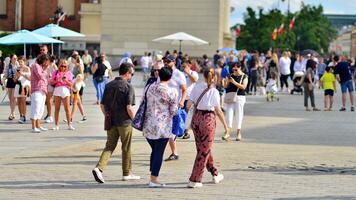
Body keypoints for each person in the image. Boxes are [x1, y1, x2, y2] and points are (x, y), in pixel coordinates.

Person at [92, 62, 140, 184]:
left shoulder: (109, 85)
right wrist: (135, 120)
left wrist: (107, 115)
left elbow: (102, 105)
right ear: (128, 73)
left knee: (109, 146)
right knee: (126, 147)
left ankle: (99, 168)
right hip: (124, 122)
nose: (132, 76)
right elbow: (129, 107)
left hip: (111, 121)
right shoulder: (128, 87)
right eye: (132, 74)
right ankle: (126, 173)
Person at [185, 67, 229, 188]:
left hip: (197, 118)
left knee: (203, 149)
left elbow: (188, 104)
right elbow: (218, 110)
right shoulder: (214, 91)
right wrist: (226, 126)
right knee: (204, 150)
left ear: (203, 75)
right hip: (208, 120)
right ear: (214, 77)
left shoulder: (196, 87)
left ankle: (215, 173)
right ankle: (195, 179)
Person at [142, 67, 178, 188]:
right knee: (158, 152)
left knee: (155, 150)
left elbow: (143, 101)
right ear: (170, 77)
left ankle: (152, 172)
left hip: (148, 125)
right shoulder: (172, 91)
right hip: (163, 127)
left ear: (159, 75)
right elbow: (173, 111)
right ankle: (153, 179)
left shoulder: (149, 87)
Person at [164, 55, 187, 161]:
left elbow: (184, 89)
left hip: (175, 106)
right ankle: (173, 152)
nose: (165, 63)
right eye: (164, 61)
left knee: (170, 132)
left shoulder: (179, 74)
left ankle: (174, 152)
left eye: (168, 61)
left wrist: (182, 101)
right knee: (165, 131)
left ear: (173, 62)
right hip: (163, 106)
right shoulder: (163, 72)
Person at [222, 62, 248, 141]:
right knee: (228, 114)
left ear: (240, 68)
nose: (234, 70)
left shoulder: (244, 76)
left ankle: (238, 132)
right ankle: (227, 132)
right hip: (230, 97)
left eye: (236, 69)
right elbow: (226, 87)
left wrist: (234, 82)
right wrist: (225, 81)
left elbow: (243, 87)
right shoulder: (231, 75)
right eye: (233, 69)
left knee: (239, 114)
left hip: (240, 97)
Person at [50, 59, 74, 130]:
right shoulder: (56, 72)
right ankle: (56, 125)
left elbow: (71, 84)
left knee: (67, 109)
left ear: (67, 66)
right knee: (57, 109)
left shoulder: (69, 73)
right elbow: (51, 82)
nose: (63, 67)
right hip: (57, 90)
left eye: (65, 66)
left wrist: (65, 80)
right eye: (61, 66)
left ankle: (69, 125)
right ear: (59, 65)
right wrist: (58, 80)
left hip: (66, 90)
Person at [30, 54, 51, 133]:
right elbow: (40, 76)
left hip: (43, 90)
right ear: (43, 60)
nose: (47, 63)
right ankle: (33, 127)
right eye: (46, 61)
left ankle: (38, 125)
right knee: (36, 108)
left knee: (41, 109)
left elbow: (47, 79)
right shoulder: (36, 66)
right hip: (36, 89)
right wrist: (45, 70)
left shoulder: (42, 68)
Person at [182, 60, 199, 139]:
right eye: (183, 66)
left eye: (185, 66)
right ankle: (181, 130)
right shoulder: (181, 74)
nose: (183, 68)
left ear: (189, 65)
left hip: (190, 98)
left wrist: (188, 73)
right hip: (182, 97)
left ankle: (187, 131)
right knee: (182, 114)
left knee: (188, 115)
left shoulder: (193, 73)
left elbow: (194, 80)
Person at [13, 56, 31, 124]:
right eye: (19, 61)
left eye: (21, 61)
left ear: (24, 62)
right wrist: (17, 75)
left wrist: (22, 74)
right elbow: (14, 80)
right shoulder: (17, 68)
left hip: (24, 86)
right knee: (19, 101)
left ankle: (24, 116)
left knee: (23, 101)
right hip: (18, 85)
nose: (20, 63)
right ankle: (21, 115)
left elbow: (29, 79)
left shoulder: (27, 68)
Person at [3, 54, 19, 120]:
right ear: (11, 59)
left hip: (15, 81)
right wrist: (3, 80)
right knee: (10, 98)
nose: (15, 59)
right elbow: (6, 75)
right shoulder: (8, 66)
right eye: (14, 58)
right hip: (9, 81)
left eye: (16, 58)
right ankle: (13, 112)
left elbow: (19, 73)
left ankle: (11, 113)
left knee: (13, 98)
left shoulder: (18, 65)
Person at [44, 55, 57, 123]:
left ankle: (50, 116)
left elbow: (57, 75)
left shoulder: (53, 66)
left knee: (49, 100)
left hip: (52, 84)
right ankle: (49, 115)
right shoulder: (46, 66)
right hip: (47, 84)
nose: (46, 61)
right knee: (48, 100)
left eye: (47, 60)